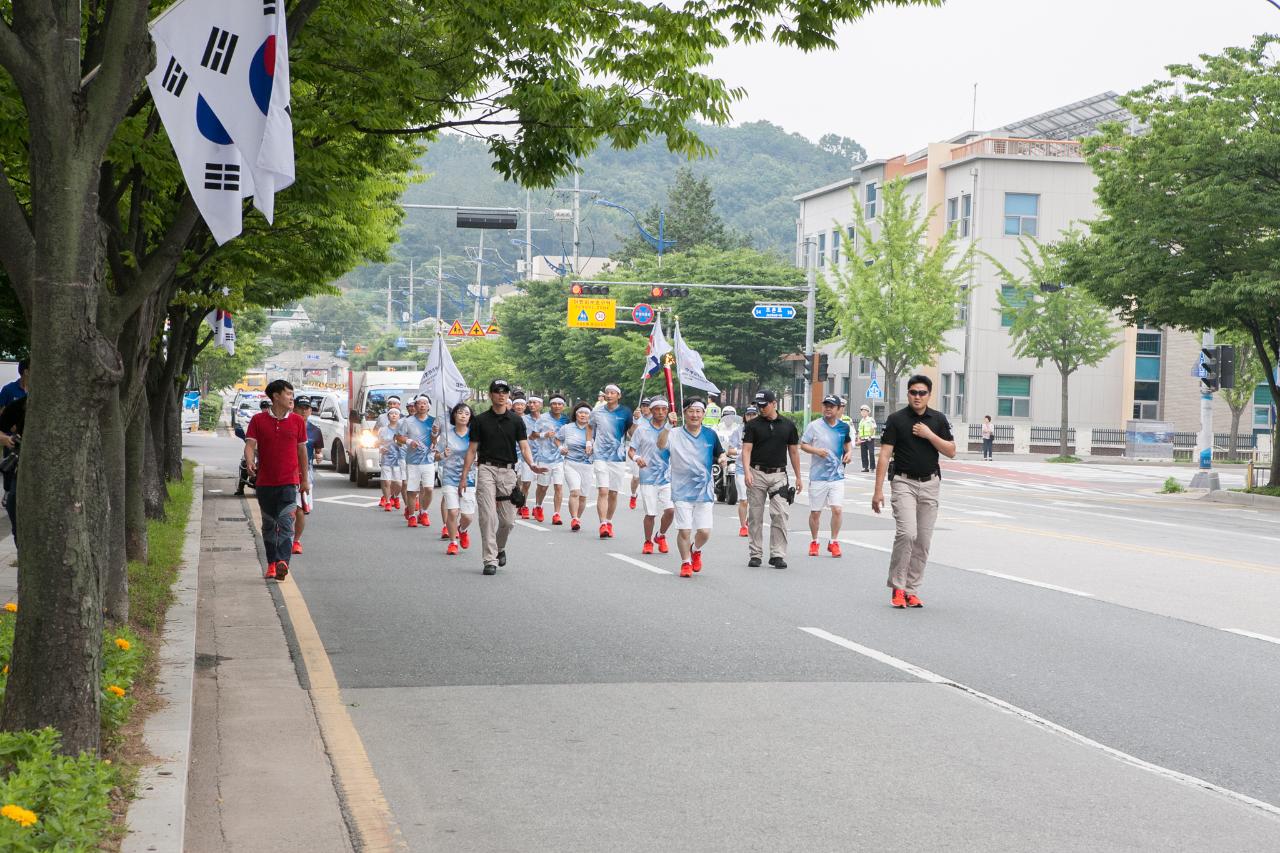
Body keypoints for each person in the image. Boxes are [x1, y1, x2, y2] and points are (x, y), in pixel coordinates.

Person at [872, 374, 956, 609]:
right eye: (913, 392)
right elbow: (885, 455)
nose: (917, 397)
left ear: (929, 395)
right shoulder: (896, 419)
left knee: (923, 540)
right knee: (907, 533)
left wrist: (929, 434)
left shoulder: (938, 419)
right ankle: (898, 588)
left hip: (930, 483)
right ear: (907, 394)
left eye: (922, 393)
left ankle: (912, 589)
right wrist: (877, 490)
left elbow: (951, 451)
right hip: (903, 482)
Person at [458, 379, 545, 575]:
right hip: (486, 469)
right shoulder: (480, 420)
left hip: (508, 472)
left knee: (508, 521)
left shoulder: (516, 420)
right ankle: (489, 559)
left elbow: (524, 446)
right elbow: (472, 450)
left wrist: (532, 465)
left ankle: (500, 547)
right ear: (490, 395)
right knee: (488, 517)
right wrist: (464, 476)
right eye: (497, 391)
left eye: (504, 391)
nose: (501, 394)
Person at [244, 379, 310, 581]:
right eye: (288, 394)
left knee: (286, 522)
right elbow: (250, 445)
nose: (292, 398)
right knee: (269, 525)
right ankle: (272, 563)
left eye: (292, 394)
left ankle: (283, 562)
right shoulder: (258, 420)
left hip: (289, 482)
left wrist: (304, 479)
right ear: (276, 396)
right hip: (265, 483)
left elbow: (302, 452)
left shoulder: (298, 421)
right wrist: (249, 461)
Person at [657, 398, 725, 578]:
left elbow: (720, 453)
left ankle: (696, 549)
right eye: (691, 411)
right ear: (684, 413)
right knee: (685, 529)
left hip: (704, 490)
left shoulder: (710, 434)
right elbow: (661, 445)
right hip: (681, 490)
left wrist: (723, 458)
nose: (695, 415)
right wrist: (667, 427)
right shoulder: (674, 433)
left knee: (704, 532)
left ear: (703, 414)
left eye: (698, 411)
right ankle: (686, 562)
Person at [741, 389, 802, 569]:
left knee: (780, 514)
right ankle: (755, 553)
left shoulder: (788, 425)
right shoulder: (752, 425)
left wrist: (799, 477)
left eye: (764, 405)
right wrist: (747, 472)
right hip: (757, 473)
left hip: (779, 475)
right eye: (758, 405)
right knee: (755, 516)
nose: (760, 408)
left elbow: (793, 452)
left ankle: (777, 554)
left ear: (774, 404)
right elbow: (746, 450)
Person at [801, 395, 853, 558]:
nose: (828, 409)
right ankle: (815, 541)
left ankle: (833, 542)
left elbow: (847, 443)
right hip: (818, 476)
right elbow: (803, 445)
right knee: (816, 512)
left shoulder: (843, 427)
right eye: (825, 406)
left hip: (837, 476)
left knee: (837, 509)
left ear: (838, 409)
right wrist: (816, 451)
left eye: (831, 406)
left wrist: (849, 452)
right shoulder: (814, 426)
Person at [588, 383, 634, 538]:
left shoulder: (626, 412)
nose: (609, 395)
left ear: (618, 396)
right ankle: (602, 524)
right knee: (603, 490)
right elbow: (589, 427)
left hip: (618, 457)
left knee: (613, 493)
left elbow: (632, 433)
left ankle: (609, 521)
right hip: (600, 455)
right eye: (607, 392)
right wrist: (589, 443)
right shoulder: (597, 411)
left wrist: (636, 421)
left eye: (612, 393)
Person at [628, 397, 673, 554]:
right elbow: (631, 450)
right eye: (657, 409)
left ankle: (661, 535)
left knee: (670, 510)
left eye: (663, 409)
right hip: (647, 477)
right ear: (651, 411)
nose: (660, 412)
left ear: (667, 411)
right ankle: (648, 541)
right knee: (651, 513)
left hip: (667, 477)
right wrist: (636, 458)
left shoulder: (673, 431)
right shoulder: (642, 429)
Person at [439, 403, 476, 555]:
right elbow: (434, 455)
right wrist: (442, 454)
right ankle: (453, 542)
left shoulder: (474, 435)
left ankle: (462, 530)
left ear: (470, 417)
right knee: (453, 512)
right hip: (449, 476)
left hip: (469, 478)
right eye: (460, 413)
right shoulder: (447, 435)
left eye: (466, 413)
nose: (463, 415)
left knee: (467, 516)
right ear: (454, 415)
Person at [396, 395, 437, 528]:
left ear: (428, 406)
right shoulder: (408, 421)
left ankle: (423, 512)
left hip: (428, 460)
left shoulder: (434, 421)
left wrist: (435, 435)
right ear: (415, 405)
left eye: (425, 403)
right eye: (419, 403)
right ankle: (412, 515)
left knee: (429, 489)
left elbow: (436, 441)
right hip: (413, 461)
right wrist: (409, 441)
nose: (422, 405)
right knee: (412, 489)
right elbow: (399, 437)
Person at [290, 397, 325, 555]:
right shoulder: (287, 425)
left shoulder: (315, 430)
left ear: (311, 411)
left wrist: (319, 455)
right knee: (287, 509)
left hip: (305, 473)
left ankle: (296, 540)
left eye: (307, 408)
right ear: (294, 408)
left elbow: (318, 451)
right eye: (301, 407)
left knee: (299, 509)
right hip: (286, 470)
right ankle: (284, 536)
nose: (304, 411)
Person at [558, 402, 595, 532]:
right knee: (575, 492)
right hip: (571, 464)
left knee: (583, 496)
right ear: (576, 414)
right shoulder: (567, 428)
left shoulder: (594, 429)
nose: (583, 415)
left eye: (586, 413)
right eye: (580, 413)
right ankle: (574, 518)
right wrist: (561, 447)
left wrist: (594, 447)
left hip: (587, 465)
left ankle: (577, 519)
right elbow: (557, 439)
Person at [532, 395, 568, 524]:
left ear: (563, 406)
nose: (557, 406)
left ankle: (556, 514)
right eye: (554, 404)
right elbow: (532, 436)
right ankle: (538, 506)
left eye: (560, 404)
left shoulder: (566, 420)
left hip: (559, 459)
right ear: (550, 405)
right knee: (543, 487)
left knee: (558, 486)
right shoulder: (542, 419)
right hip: (544, 458)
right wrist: (544, 435)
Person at [0, 393, 26, 546]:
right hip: (22, 465)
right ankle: (20, 544)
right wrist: (7, 439)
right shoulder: (19, 405)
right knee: (13, 501)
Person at [234, 398, 271, 495]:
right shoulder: (256, 419)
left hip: (268, 450)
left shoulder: (275, 420)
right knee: (246, 463)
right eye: (263, 407)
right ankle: (240, 488)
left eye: (267, 407)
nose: (265, 409)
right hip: (256, 448)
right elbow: (248, 435)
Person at [730, 406, 757, 537]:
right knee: (744, 500)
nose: (751, 417)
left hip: (757, 469)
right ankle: (743, 526)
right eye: (749, 414)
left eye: (754, 414)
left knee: (755, 501)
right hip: (741, 468)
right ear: (744, 416)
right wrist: (742, 451)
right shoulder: (738, 431)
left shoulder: (761, 430)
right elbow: (730, 450)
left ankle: (748, 521)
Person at [376, 407, 404, 511]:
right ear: (388, 416)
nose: (393, 415)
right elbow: (377, 443)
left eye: (396, 414)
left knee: (398, 483)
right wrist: (381, 448)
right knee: (387, 481)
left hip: (399, 459)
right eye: (391, 413)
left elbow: (406, 443)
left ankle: (395, 497)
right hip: (386, 458)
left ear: (399, 416)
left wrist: (401, 445)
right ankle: (387, 501)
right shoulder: (383, 430)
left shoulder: (402, 430)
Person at [512, 395, 535, 519]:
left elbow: (533, 436)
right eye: (517, 404)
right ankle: (516, 502)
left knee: (526, 482)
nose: (519, 407)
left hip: (526, 454)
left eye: (522, 405)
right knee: (514, 482)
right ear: (513, 406)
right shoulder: (509, 419)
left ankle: (523, 505)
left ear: (525, 406)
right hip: (512, 455)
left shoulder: (529, 420)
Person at [628, 398, 651, 510]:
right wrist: (636, 420)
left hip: (651, 452)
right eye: (643, 405)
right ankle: (633, 495)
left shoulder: (656, 419)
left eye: (647, 405)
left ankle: (650, 499)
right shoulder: (637, 418)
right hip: (637, 452)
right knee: (636, 477)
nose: (645, 407)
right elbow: (631, 434)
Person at [857, 404, 878, 473]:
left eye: (865, 411)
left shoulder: (871, 419)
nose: (863, 413)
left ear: (868, 412)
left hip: (870, 439)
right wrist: (858, 438)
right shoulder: (861, 421)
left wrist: (870, 436)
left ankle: (872, 467)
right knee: (863, 454)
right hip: (863, 439)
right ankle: (865, 467)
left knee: (871, 453)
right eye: (862, 411)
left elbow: (873, 428)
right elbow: (859, 430)